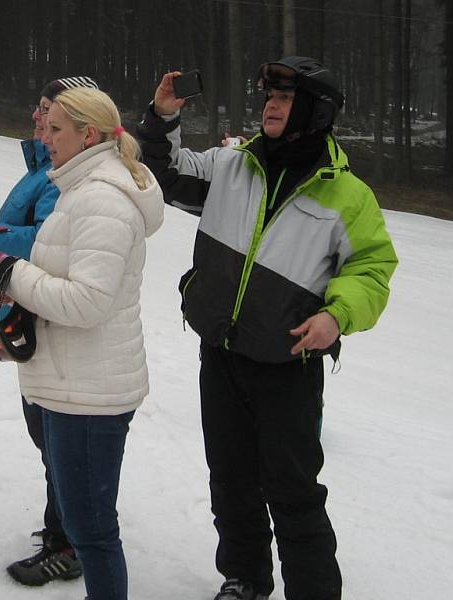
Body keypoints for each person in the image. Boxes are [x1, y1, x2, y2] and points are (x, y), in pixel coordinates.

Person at [137, 57, 398, 600]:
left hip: (288, 367)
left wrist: (336, 315)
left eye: (284, 99)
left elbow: (372, 270)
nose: (270, 107)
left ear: (314, 111)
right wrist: (162, 117)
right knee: (230, 480)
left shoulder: (348, 197)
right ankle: (246, 579)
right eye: (269, 98)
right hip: (224, 352)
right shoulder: (233, 165)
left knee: (293, 491)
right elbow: (162, 175)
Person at [0, 87, 164, 600]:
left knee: (93, 533)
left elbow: (87, 302)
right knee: (84, 525)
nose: (45, 136)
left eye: (56, 129)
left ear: (89, 135)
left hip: (91, 394)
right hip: (68, 382)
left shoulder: (102, 198)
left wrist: (6, 271)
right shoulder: (79, 187)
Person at [0, 75, 99, 587]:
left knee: (59, 435)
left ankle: (70, 542)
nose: (38, 119)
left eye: (50, 112)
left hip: (56, 317)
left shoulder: (67, 177)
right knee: (45, 431)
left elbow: (47, 241)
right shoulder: (45, 166)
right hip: (31, 309)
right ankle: (62, 528)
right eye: (39, 107)